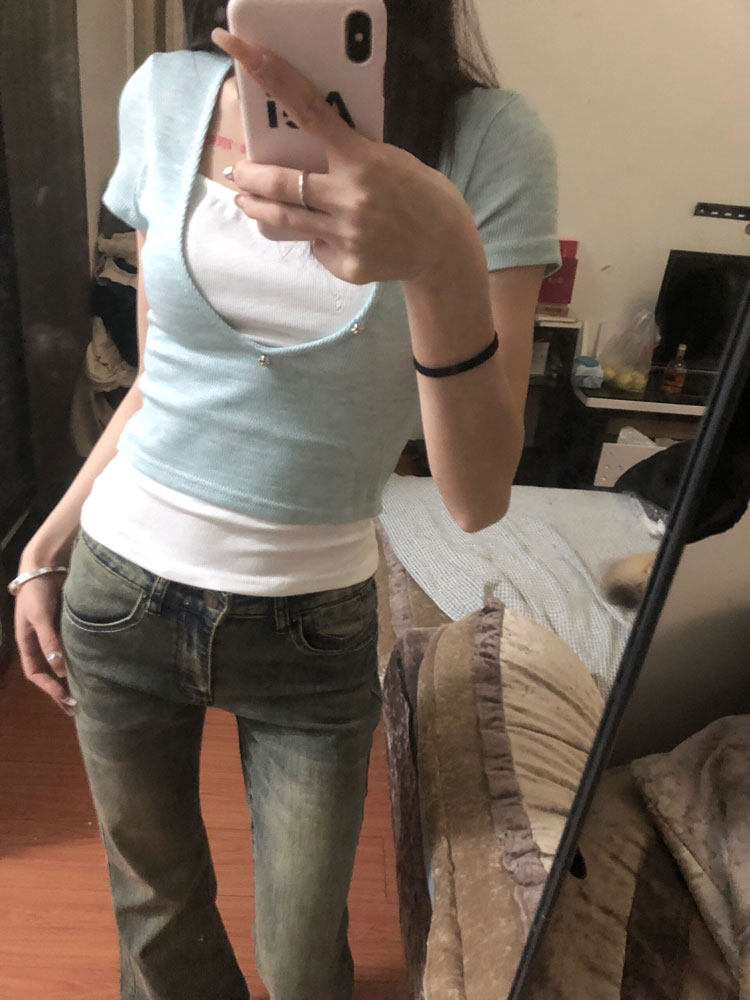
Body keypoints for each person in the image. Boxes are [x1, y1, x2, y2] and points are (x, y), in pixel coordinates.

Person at [10, 1, 561, 997]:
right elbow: (159, 378)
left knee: (302, 961)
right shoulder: (166, 95)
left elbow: (477, 496)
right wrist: (47, 544)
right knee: (157, 921)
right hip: (121, 592)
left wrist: (439, 254)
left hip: (312, 626)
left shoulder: (488, 142)